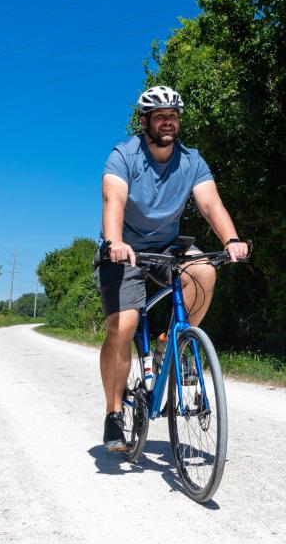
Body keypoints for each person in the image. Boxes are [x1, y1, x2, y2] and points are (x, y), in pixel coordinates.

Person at [95, 85, 249, 451]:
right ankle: (114, 414)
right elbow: (112, 199)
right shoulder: (124, 155)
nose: (168, 122)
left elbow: (211, 204)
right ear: (144, 120)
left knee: (205, 272)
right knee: (125, 324)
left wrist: (231, 240)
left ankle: (174, 345)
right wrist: (115, 242)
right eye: (160, 116)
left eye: (174, 116)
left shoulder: (191, 160)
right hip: (125, 248)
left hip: (167, 248)